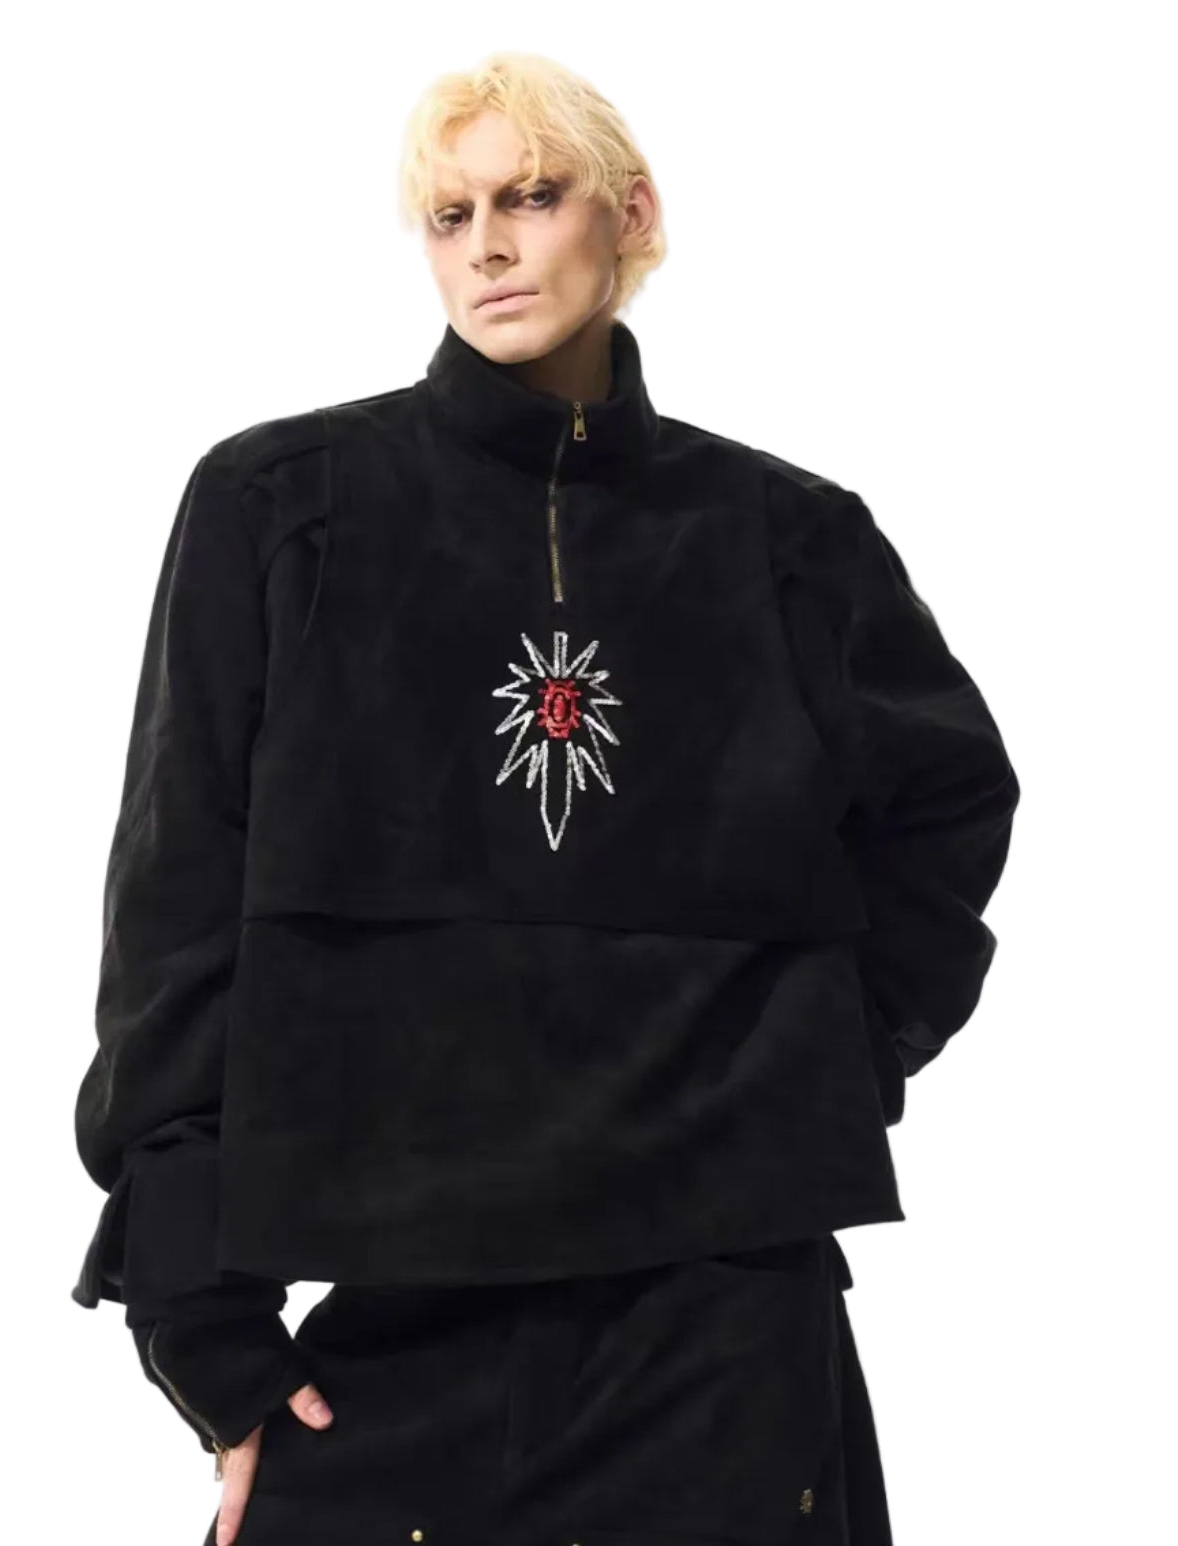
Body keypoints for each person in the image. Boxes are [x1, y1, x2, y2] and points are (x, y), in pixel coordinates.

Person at [69, 48, 1021, 1546]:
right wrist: (197, 1307)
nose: (489, 249)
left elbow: (950, 801)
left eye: (530, 196)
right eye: (450, 216)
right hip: (396, 1312)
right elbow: (179, 898)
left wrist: (825, 1053)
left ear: (629, 214)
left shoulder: (785, 536)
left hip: (721, 1314)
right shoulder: (285, 505)